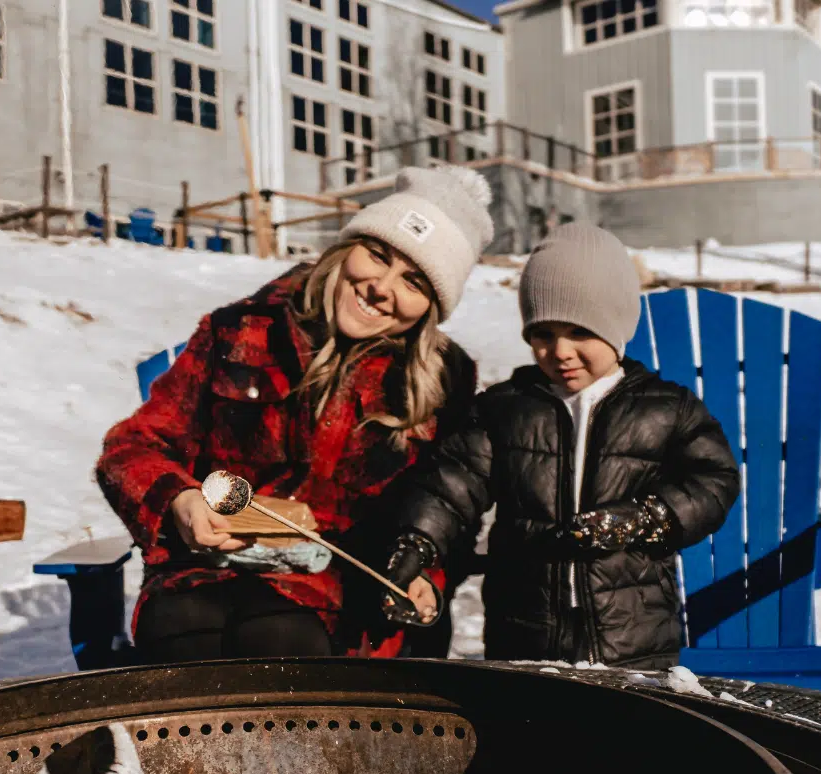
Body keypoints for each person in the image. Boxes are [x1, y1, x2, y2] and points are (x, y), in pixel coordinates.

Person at [95, 164, 494, 664]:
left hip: (336, 590)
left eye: (413, 282)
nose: (381, 287)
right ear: (348, 247)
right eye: (377, 255)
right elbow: (132, 448)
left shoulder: (441, 381)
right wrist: (180, 500)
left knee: (282, 641)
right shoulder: (242, 331)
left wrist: (420, 574)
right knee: (184, 632)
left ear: (432, 306)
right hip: (204, 568)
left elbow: (444, 503)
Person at [381, 222, 741, 669]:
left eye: (580, 332)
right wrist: (420, 540)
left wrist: (646, 518)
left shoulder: (666, 409)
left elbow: (714, 480)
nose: (561, 351)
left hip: (633, 636)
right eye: (544, 334)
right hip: (524, 627)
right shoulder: (506, 409)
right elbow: (453, 484)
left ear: (616, 328)